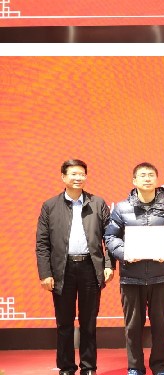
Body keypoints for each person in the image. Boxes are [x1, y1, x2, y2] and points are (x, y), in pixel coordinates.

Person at [104, 162, 164, 375]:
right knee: (132, 326)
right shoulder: (121, 208)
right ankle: (135, 367)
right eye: (142, 175)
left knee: (161, 325)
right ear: (134, 181)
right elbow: (110, 237)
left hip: (162, 276)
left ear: (157, 180)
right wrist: (125, 253)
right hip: (131, 277)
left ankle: (160, 366)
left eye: (151, 175)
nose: (147, 178)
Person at [35, 159, 114, 375]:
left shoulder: (97, 203)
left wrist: (108, 264)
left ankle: (88, 367)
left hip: (90, 267)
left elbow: (110, 238)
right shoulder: (50, 206)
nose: (78, 178)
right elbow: (42, 243)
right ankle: (66, 367)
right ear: (63, 177)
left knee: (89, 322)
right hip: (62, 269)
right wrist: (45, 273)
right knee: (64, 323)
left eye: (82, 174)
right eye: (73, 174)